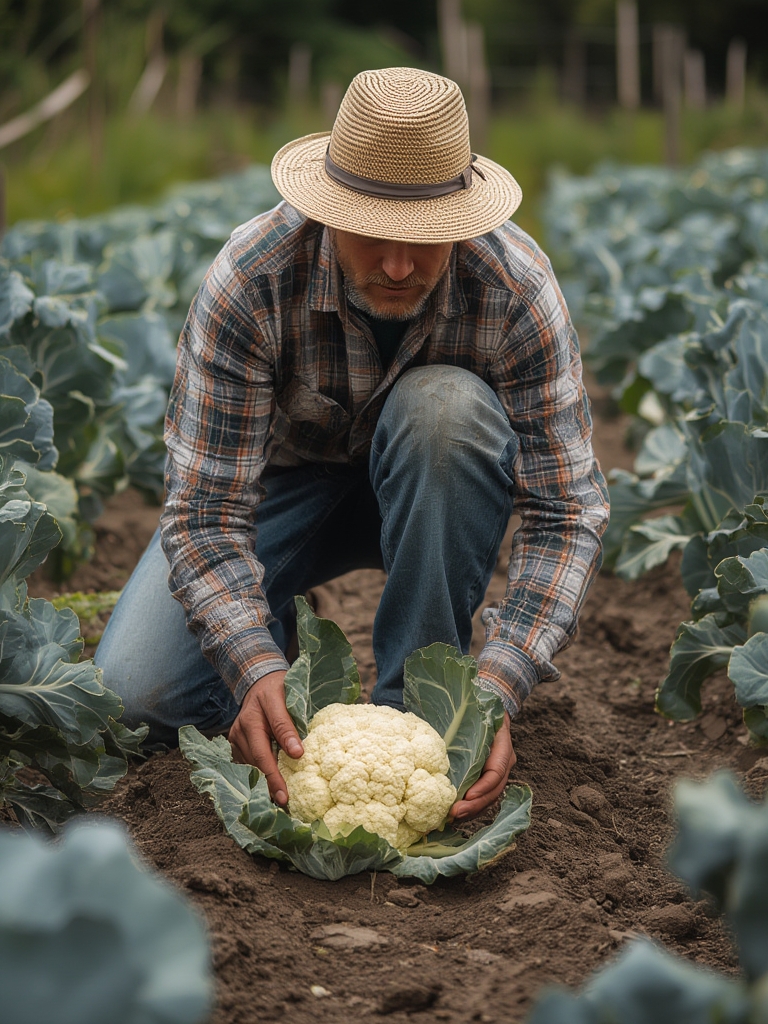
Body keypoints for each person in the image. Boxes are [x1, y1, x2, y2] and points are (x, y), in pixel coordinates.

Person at [96, 67, 609, 823]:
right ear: (327, 211)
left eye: (426, 240)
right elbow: (203, 511)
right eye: (374, 235)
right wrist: (250, 663)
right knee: (135, 696)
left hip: (440, 496)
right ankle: (280, 645)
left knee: (445, 410)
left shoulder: (516, 289)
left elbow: (568, 511)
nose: (399, 266)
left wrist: (495, 690)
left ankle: (425, 712)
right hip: (284, 497)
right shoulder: (253, 279)